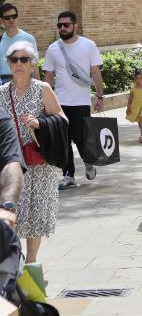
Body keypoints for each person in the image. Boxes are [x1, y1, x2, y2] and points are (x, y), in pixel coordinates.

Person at [0, 41, 68, 263]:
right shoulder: (1, 93)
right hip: (11, 165)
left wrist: (40, 123)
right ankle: (13, 263)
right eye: (14, 60)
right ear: (9, 64)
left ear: (32, 64)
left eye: (24, 60)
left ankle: (31, 262)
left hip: (39, 165)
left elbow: (62, 119)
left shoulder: (42, 89)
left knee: (35, 215)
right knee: (12, 214)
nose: (19, 64)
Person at [43, 11, 104, 190]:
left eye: (66, 25)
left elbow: (95, 72)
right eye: (59, 25)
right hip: (59, 102)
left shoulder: (89, 45)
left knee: (80, 137)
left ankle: (88, 159)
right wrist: (46, 100)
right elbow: (48, 76)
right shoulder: (53, 48)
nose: (62, 28)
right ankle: (68, 175)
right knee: (63, 139)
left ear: (75, 26)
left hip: (81, 102)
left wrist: (100, 96)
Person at [0, 4, 38, 85]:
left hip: (25, 81)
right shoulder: (0, 40)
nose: (11, 19)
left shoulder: (28, 38)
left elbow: (34, 66)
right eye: (7, 18)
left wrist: (39, 91)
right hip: (4, 84)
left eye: (14, 16)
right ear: (2, 20)